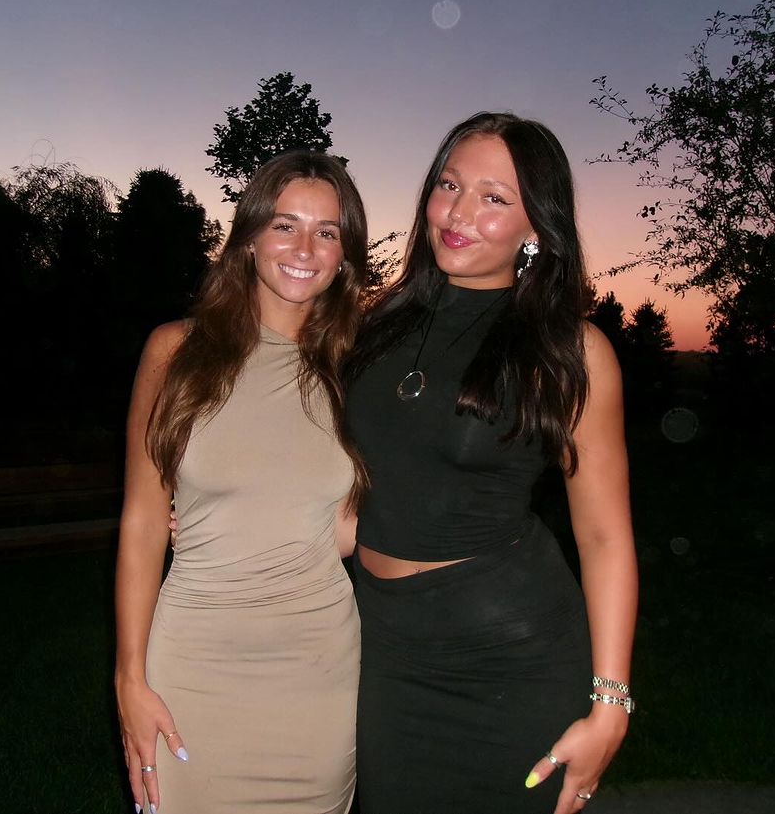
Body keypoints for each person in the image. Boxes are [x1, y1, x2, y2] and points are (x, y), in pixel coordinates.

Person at [343, 112, 638, 814]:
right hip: (380, 648)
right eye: (449, 185)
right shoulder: (373, 325)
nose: (458, 213)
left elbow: (604, 536)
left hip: (508, 659)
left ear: (537, 225)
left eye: (493, 198)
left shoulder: (568, 351)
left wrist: (611, 704)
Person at [114, 150, 369, 814]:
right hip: (193, 668)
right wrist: (129, 679)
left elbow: (351, 527)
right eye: (284, 225)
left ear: (344, 254)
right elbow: (142, 523)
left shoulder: (357, 369)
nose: (304, 249)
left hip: (317, 677)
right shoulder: (176, 351)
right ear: (250, 237)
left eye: (326, 232)